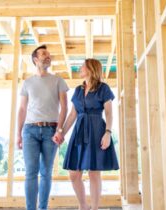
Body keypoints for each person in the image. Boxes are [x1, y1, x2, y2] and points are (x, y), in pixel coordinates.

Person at [58, 58, 119, 210]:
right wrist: (62, 133)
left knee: (94, 173)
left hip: (97, 130)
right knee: (74, 174)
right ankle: (83, 206)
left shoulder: (103, 88)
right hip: (79, 132)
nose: (79, 68)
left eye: (82, 66)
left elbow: (109, 113)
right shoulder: (78, 90)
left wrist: (108, 133)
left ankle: (95, 208)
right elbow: (72, 115)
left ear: (91, 69)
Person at [16, 45, 68, 210]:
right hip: (29, 131)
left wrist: (59, 130)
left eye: (49, 55)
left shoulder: (58, 81)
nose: (48, 57)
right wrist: (18, 134)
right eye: (44, 54)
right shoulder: (27, 82)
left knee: (46, 173)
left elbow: (64, 107)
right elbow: (22, 109)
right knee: (31, 173)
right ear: (35, 60)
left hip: (50, 131)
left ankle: (43, 208)